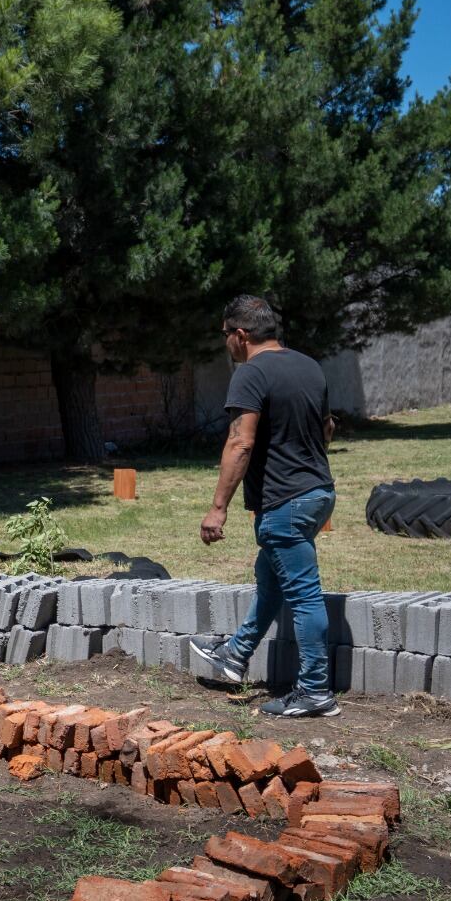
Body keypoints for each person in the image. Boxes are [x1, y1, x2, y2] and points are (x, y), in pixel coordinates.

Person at [191, 295, 338, 718]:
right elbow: (326, 427)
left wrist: (218, 507)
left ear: (240, 335)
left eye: (225, 336)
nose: (226, 345)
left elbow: (241, 441)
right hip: (318, 492)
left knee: (305, 596)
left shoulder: (250, 373)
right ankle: (236, 653)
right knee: (270, 574)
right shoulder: (309, 365)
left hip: (286, 501)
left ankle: (314, 691)